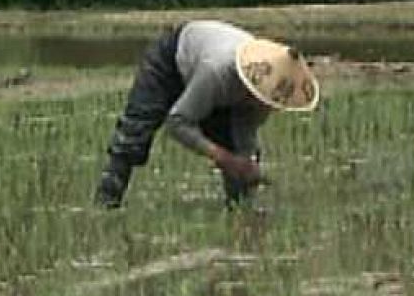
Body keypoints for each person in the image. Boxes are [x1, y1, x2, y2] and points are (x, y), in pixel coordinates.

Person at [94, 20, 320, 208]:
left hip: (216, 76)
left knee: (236, 150)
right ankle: (106, 204)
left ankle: (241, 211)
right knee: (133, 134)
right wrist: (222, 157)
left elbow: (245, 129)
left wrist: (246, 163)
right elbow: (177, 122)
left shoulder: (268, 92)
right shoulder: (218, 72)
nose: (265, 107)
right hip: (171, 60)